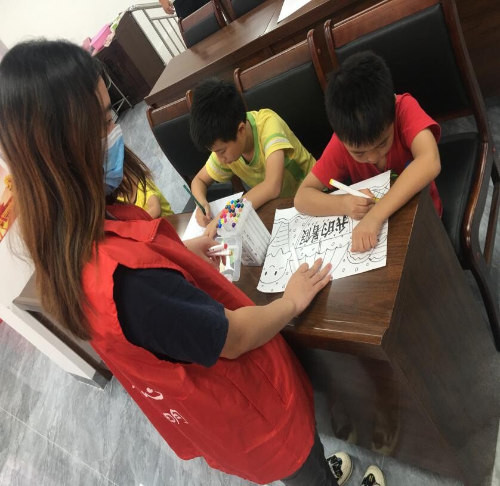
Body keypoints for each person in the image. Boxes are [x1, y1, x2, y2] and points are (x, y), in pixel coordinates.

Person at [0, 40, 387, 486]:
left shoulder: (67, 243)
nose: (116, 130)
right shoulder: (129, 284)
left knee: (306, 462)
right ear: (62, 147)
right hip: (254, 410)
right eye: (104, 120)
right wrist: (291, 302)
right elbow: (234, 337)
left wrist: (183, 256)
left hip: (226, 415)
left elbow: (152, 285)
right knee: (302, 463)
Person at [295, 51, 441, 253]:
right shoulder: (342, 142)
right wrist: (344, 204)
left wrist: (375, 215)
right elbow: (301, 198)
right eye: (359, 153)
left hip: (425, 216)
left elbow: (430, 160)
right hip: (381, 238)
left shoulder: (403, 109)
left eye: (382, 144)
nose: (373, 157)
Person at [190, 77, 316, 237]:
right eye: (214, 152)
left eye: (221, 151)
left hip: (314, 193)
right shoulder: (227, 145)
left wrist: (226, 215)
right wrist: (201, 204)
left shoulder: (268, 125)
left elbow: (272, 186)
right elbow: (198, 181)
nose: (219, 158)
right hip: (280, 211)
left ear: (241, 130)